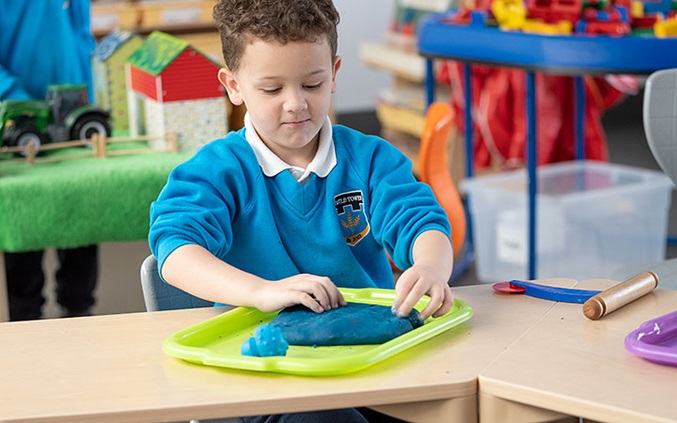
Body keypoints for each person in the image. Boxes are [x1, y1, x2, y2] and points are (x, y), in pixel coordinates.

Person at [149, 0, 454, 421]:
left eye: (312, 84)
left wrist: (431, 266)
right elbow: (175, 250)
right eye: (272, 89)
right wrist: (261, 292)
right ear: (233, 85)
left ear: (334, 74)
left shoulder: (370, 159)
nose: (295, 104)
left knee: (452, 405)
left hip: (371, 360)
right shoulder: (217, 170)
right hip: (265, 371)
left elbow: (420, 219)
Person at [0, 0, 99, 320]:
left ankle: (80, 310)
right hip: (20, 119)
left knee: (81, 218)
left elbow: (81, 39)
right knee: (25, 227)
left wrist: (89, 98)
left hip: (73, 115)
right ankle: (25, 317)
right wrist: (14, 96)